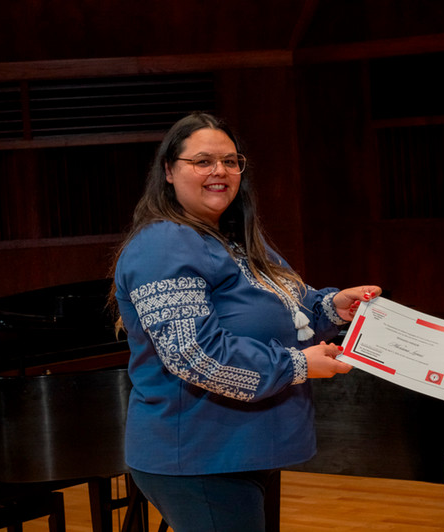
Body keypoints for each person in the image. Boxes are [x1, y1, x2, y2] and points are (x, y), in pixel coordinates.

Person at [108, 112, 381, 532]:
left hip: (241, 450)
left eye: (231, 161)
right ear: (168, 171)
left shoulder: (235, 240)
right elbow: (193, 355)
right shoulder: (164, 244)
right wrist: (299, 365)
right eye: (202, 161)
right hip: (200, 457)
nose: (220, 171)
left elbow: (292, 308)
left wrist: (333, 308)